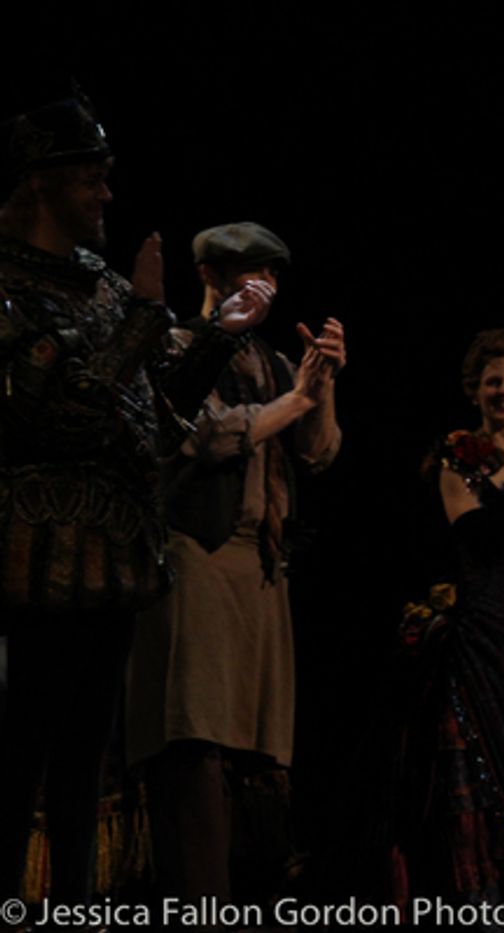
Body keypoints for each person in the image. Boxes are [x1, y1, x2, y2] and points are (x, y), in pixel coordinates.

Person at [0, 93, 269, 903]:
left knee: (89, 758)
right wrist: (148, 316)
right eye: (94, 180)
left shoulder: (104, 285)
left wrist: (216, 335)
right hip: (34, 559)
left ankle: (73, 908)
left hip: (112, 557)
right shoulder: (9, 284)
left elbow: (150, 414)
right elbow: (61, 407)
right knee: (22, 752)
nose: (108, 196)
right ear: (45, 183)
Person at [122, 221, 343, 904]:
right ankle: (201, 904)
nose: (265, 288)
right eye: (251, 274)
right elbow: (212, 436)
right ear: (210, 278)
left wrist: (322, 382)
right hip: (199, 557)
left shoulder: (276, 362)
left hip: (261, 566)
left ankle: (251, 892)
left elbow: (318, 451)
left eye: (273, 275)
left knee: (254, 749)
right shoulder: (181, 347)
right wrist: (297, 398)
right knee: (196, 738)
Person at [390, 329, 504, 905]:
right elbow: (477, 536)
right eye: (493, 382)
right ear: (476, 392)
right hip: (481, 633)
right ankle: (479, 895)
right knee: (481, 767)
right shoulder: (459, 454)